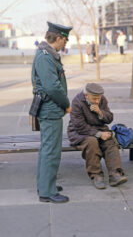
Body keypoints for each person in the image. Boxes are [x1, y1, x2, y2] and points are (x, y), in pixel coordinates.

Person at [31, 21, 72, 203]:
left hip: (49, 107)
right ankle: (47, 191)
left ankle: (46, 184)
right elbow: (53, 87)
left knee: (47, 149)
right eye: (65, 40)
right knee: (51, 151)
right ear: (58, 38)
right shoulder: (46, 56)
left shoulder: (46, 54)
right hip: (51, 108)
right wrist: (66, 104)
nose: (66, 43)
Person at [67, 83, 127, 189]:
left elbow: (109, 118)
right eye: (94, 98)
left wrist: (100, 113)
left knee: (110, 141)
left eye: (99, 98)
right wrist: (98, 134)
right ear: (86, 95)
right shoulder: (77, 102)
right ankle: (96, 175)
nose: (97, 101)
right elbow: (79, 125)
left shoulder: (101, 99)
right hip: (80, 132)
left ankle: (115, 174)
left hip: (99, 129)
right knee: (92, 142)